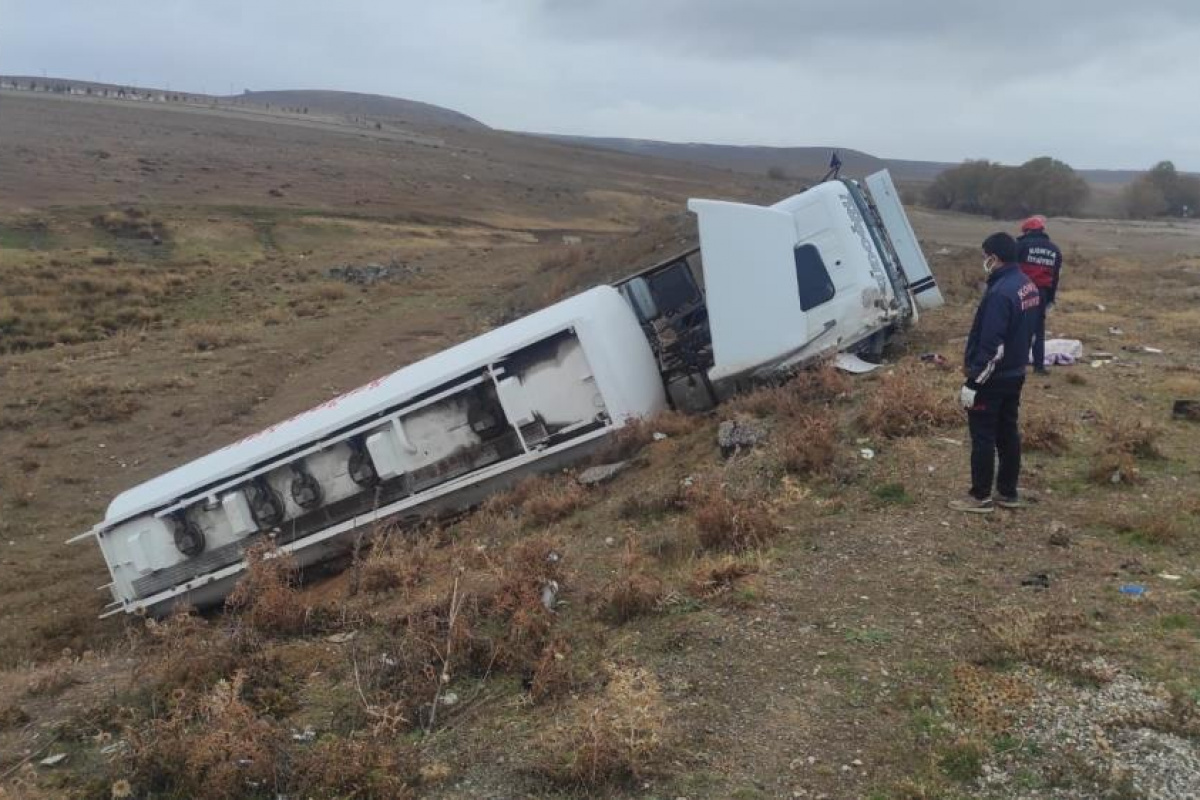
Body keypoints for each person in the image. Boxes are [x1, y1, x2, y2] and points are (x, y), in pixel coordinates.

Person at [950, 233, 1041, 514]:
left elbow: (992, 346)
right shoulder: (1028, 286)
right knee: (1007, 433)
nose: (983, 261)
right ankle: (1007, 492)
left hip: (994, 378)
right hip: (1015, 373)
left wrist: (974, 382)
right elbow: (1031, 334)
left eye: (985, 255)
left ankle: (980, 497)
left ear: (995, 257)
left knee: (983, 437)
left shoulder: (1001, 293)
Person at [1016, 215, 1063, 375]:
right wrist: (1050, 298)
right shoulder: (1054, 249)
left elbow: (1012, 269)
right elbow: (1055, 276)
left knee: (1019, 328)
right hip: (1042, 292)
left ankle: (1018, 364)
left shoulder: (1021, 245)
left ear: (1028, 230)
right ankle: (1039, 366)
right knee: (1039, 329)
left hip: (1022, 290)